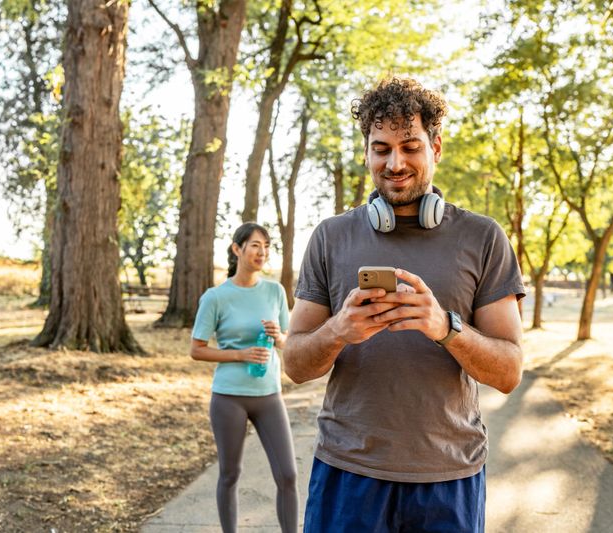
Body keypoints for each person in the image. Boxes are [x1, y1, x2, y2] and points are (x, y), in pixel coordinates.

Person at [284, 77, 526, 532]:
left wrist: (444, 327)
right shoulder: (331, 237)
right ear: (367, 153)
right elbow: (295, 365)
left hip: (448, 478)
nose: (395, 163)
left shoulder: (483, 237)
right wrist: (339, 331)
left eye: (410, 146)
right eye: (381, 148)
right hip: (347, 473)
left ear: (436, 147)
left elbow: (509, 372)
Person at [189, 222, 297, 533]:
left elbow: (288, 341)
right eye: (255, 245)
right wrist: (240, 354)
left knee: (288, 475)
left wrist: (279, 337)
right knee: (230, 474)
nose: (262, 252)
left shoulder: (275, 291)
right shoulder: (216, 297)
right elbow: (196, 350)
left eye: (266, 246)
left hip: (269, 395)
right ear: (237, 250)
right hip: (229, 396)